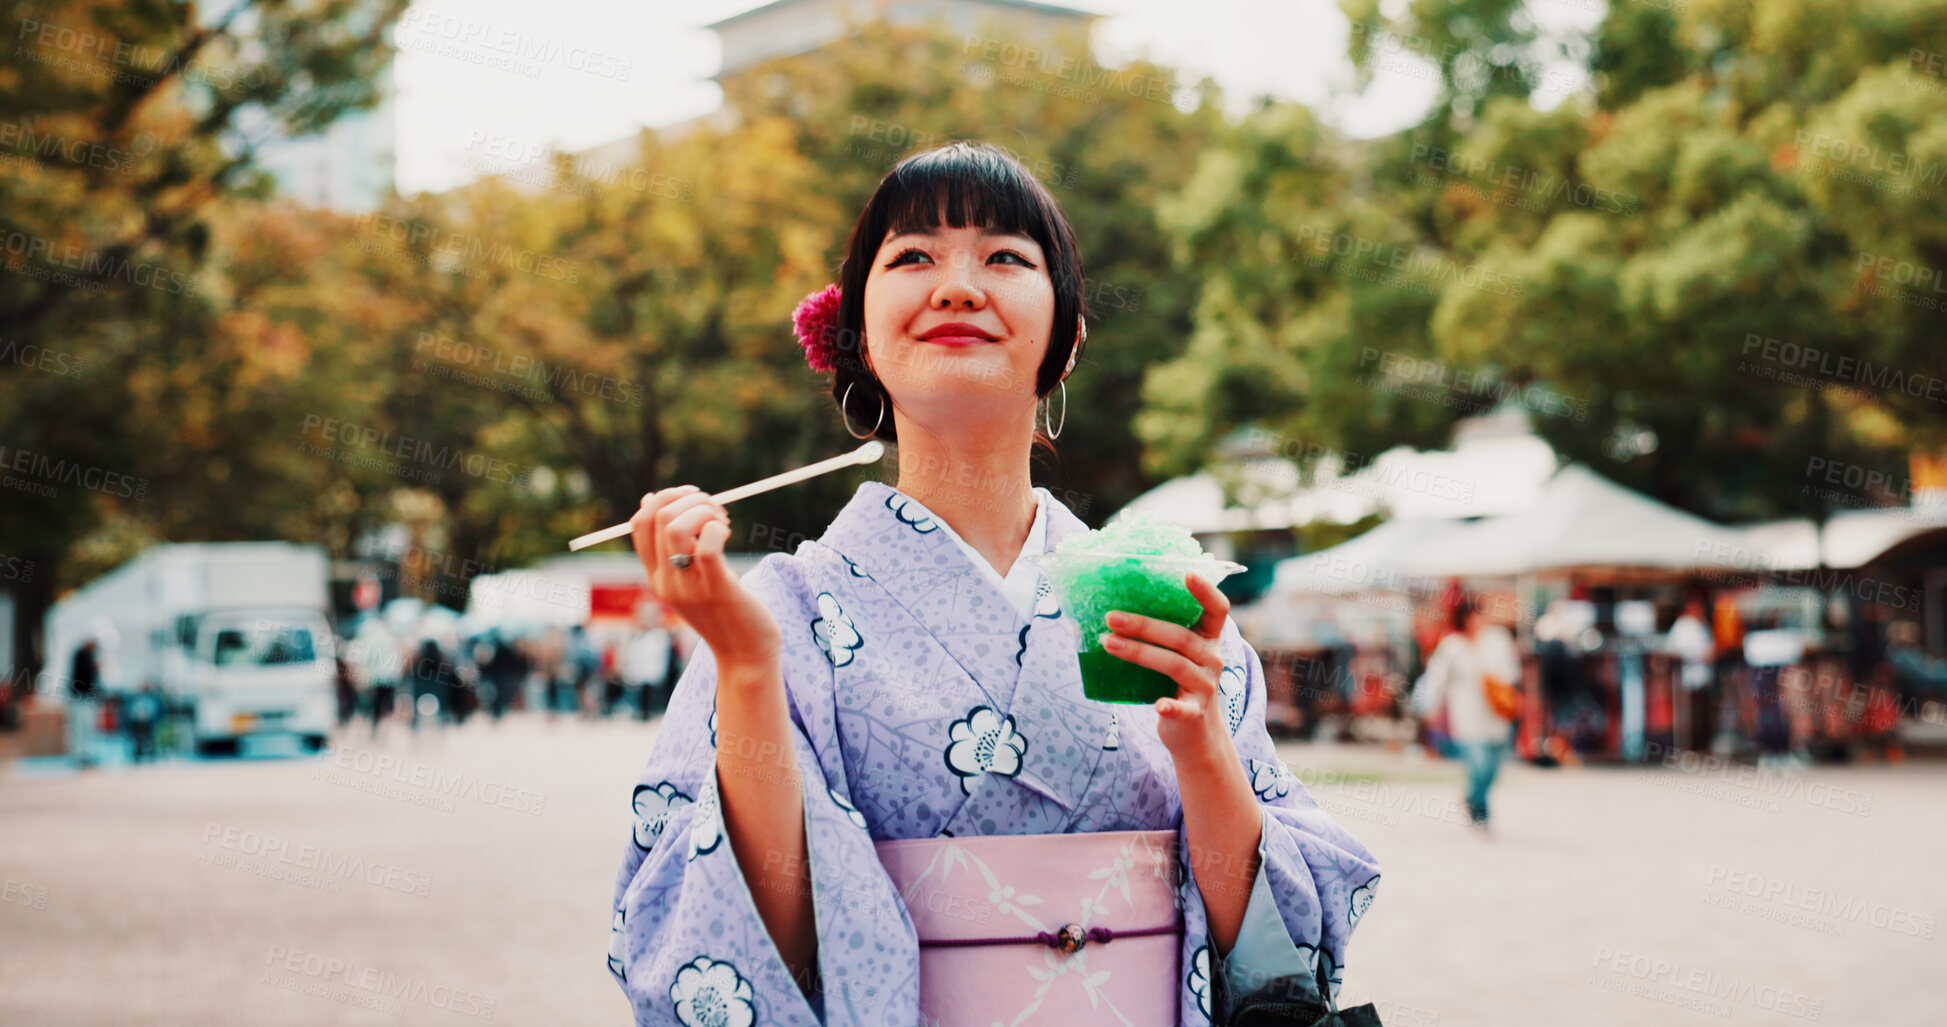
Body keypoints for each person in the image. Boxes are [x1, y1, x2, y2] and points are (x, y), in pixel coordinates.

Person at [607, 144, 1380, 1027]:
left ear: (1067, 333)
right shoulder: (775, 616)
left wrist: (1203, 749)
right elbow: (747, 957)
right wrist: (746, 666)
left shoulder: (1159, 599)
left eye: (1006, 257)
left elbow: (1277, 959)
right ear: (856, 333)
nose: (958, 286)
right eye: (913, 258)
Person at [1414, 595, 1520, 830]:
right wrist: (1430, 708)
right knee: (1478, 763)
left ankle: (1473, 797)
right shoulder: (1452, 645)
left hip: (1496, 713)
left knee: (1493, 767)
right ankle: (1480, 811)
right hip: (1467, 713)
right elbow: (1436, 680)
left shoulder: (1497, 639)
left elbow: (1511, 672)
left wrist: (1494, 677)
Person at [1664, 593, 1717, 752]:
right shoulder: (1682, 626)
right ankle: (1690, 749)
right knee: (1690, 717)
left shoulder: (1702, 625)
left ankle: (1703, 748)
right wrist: (1695, 657)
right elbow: (1672, 651)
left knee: (1704, 716)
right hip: (1688, 680)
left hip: (1704, 678)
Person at [125, 679, 162, 763]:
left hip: (149, 722)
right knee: (138, 740)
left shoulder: (154, 697)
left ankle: (151, 756)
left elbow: (159, 710)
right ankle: (137, 756)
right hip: (137, 722)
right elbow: (128, 709)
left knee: (150, 739)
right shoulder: (135, 697)